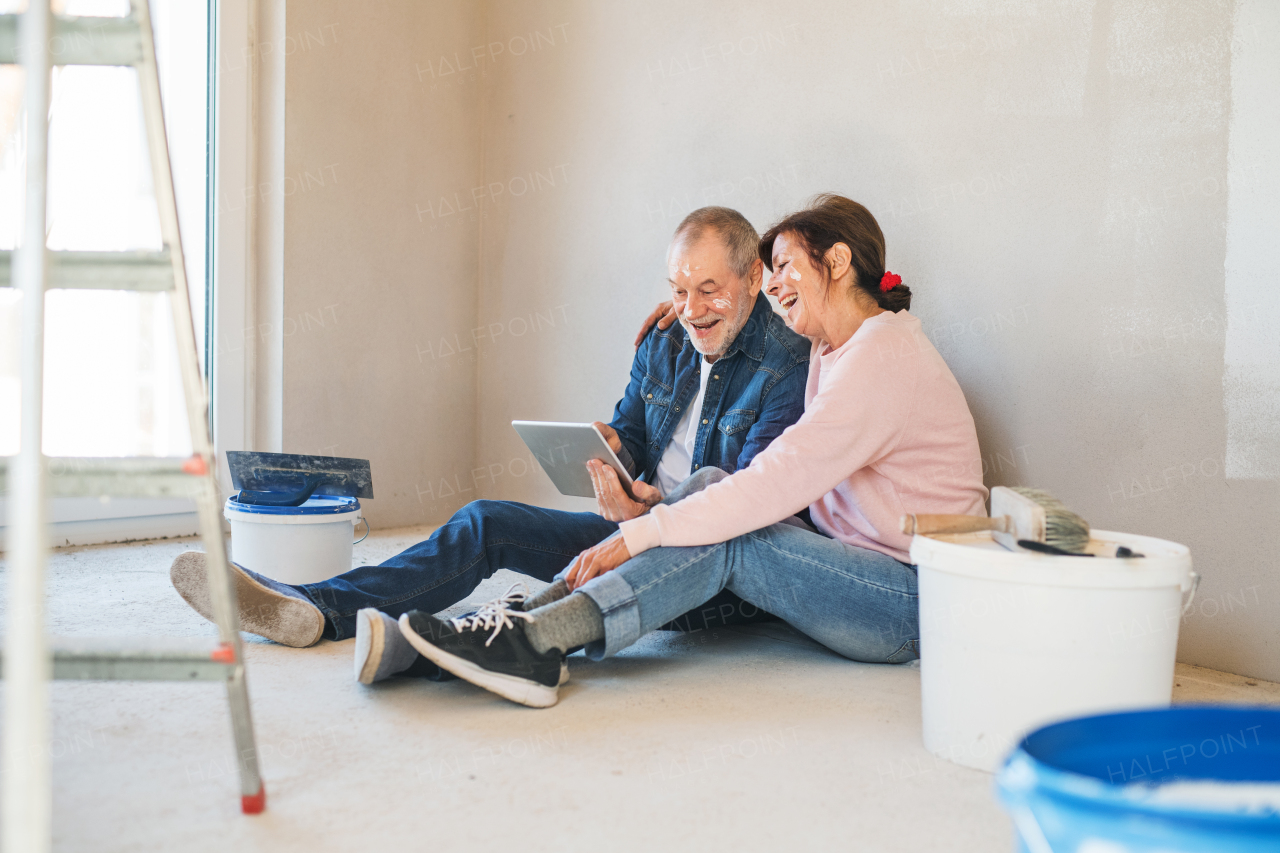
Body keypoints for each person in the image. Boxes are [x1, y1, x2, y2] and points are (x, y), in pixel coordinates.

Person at [170, 206, 811, 685]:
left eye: (709, 290)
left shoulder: (786, 364)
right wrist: (615, 449)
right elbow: (637, 436)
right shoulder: (665, 338)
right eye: (678, 288)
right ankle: (316, 608)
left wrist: (645, 519)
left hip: (701, 569)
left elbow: (740, 511)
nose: (691, 308)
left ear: (754, 277)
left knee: (536, 599)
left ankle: (454, 647)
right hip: (632, 530)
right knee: (484, 522)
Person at [397, 194, 989, 708]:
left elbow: (776, 481)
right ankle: (527, 619)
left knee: (734, 533)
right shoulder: (834, 348)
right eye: (769, 270)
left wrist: (641, 532)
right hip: (858, 574)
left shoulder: (881, 357)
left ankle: (539, 640)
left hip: (911, 602)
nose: (775, 283)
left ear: (836, 261)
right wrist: (690, 312)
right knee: (710, 483)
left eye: (783, 267)